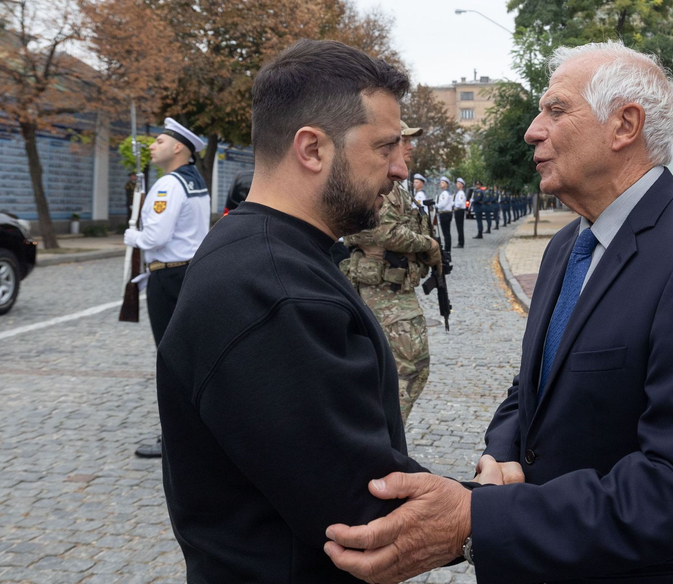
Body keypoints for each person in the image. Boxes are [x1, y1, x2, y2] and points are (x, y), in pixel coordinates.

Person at [324, 41, 673, 584]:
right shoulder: (567, 247)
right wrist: (501, 455)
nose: (532, 130)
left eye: (555, 110)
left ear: (623, 125)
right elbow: (534, 386)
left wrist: (475, 518)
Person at [155, 39, 432, 582]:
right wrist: (493, 507)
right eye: (384, 147)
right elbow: (361, 516)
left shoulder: (266, 251)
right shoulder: (276, 289)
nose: (401, 168)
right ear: (312, 150)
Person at [342, 119, 441, 421]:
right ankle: (385, 438)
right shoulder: (376, 183)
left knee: (396, 368)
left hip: (394, 288)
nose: (410, 146)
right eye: (402, 140)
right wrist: (429, 245)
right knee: (410, 368)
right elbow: (381, 232)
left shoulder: (397, 187)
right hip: (384, 293)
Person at [123, 117, 210, 458]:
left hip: (169, 276)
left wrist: (132, 236)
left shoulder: (168, 185)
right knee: (189, 357)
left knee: (171, 360)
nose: (151, 145)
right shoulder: (193, 181)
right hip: (188, 273)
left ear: (178, 148)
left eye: (158, 140)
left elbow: (154, 238)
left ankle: (177, 438)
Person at [436, 176, 454, 253]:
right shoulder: (447, 193)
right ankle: (447, 248)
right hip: (446, 213)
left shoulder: (444, 194)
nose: (441, 184)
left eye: (443, 182)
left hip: (445, 214)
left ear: (447, 184)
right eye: (440, 182)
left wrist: (435, 205)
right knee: (446, 232)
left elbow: (442, 204)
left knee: (446, 232)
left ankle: (447, 249)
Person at [453, 177, 467, 248]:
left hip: (459, 210)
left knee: (460, 227)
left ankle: (461, 243)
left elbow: (460, 203)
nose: (457, 185)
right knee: (459, 227)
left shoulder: (461, 193)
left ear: (462, 185)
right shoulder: (459, 193)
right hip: (458, 210)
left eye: (458, 184)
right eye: (457, 183)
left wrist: (453, 204)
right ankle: (460, 242)